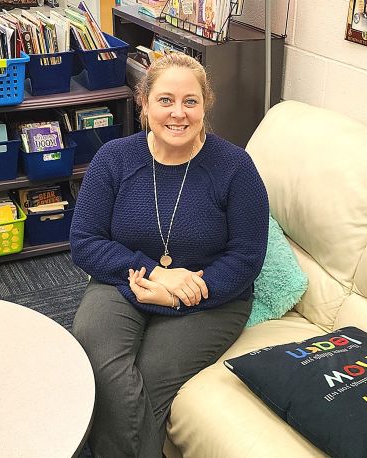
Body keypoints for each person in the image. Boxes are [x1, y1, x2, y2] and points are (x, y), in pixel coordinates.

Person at [70, 52, 269, 458]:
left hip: (209, 296)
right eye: (165, 100)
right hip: (125, 280)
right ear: (144, 103)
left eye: (190, 101)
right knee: (99, 356)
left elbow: (247, 256)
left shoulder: (235, 167)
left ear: (205, 105)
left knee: (149, 375)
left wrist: (179, 294)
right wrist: (155, 274)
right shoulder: (114, 158)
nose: (178, 113)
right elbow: (85, 240)